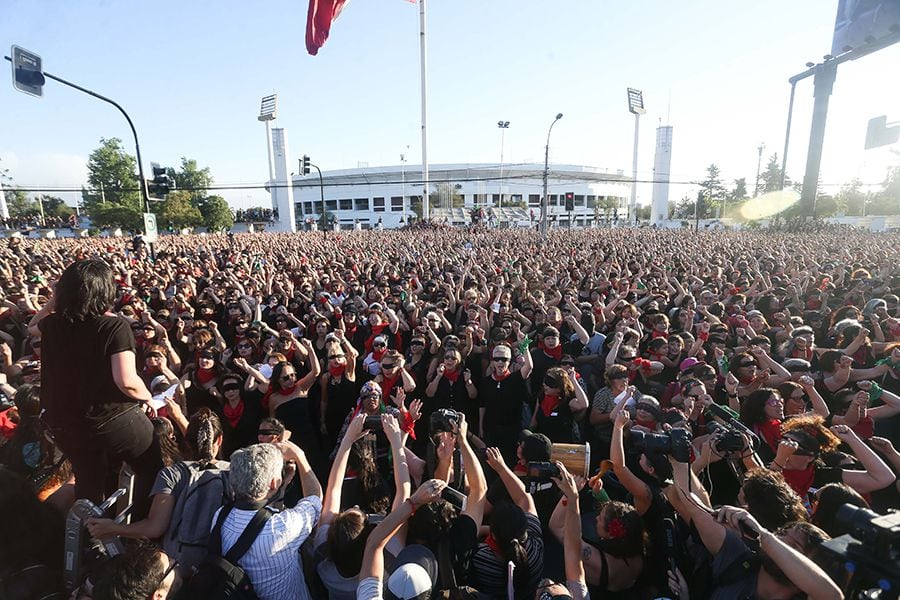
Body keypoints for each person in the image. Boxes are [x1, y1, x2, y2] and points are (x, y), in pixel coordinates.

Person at [34, 259, 162, 519]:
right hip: (109, 418)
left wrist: (55, 299)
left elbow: (32, 326)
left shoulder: (53, 324)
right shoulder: (114, 326)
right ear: (105, 291)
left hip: (65, 424)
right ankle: (137, 533)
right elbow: (126, 380)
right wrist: (148, 396)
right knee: (151, 467)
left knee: (88, 481)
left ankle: (91, 541)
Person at [214, 441, 322, 600]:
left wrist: (281, 488)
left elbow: (258, 514)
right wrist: (300, 456)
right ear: (272, 483)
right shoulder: (283, 527)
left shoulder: (220, 516)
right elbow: (315, 498)